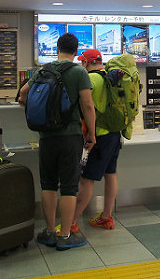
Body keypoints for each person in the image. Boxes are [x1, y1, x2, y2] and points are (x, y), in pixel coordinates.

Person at [18, 33, 96, 251]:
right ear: (76, 52)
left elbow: (23, 92)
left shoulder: (43, 69)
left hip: (46, 137)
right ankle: (65, 235)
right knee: (69, 186)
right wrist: (91, 133)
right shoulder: (79, 72)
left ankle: (50, 231)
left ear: (57, 49)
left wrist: (26, 102)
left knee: (48, 184)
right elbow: (87, 105)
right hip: (70, 136)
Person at [66, 48, 127, 233]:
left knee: (86, 180)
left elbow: (85, 104)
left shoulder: (91, 79)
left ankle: (71, 222)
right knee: (111, 174)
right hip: (114, 133)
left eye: (82, 62)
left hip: (98, 135)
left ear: (86, 62)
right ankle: (106, 218)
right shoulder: (111, 77)